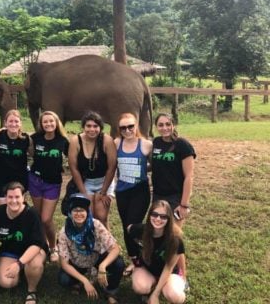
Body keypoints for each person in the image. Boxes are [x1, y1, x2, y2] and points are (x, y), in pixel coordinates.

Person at [152, 112, 196, 281]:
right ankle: (162, 270)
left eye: (168, 124)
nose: (164, 128)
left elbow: (189, 177)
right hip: (157, 196)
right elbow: (156, 165)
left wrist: (184, 204)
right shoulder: (156, 143)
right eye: (161, 125)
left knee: (174, 237)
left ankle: (182, 276)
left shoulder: (183, 145)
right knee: (160, 234)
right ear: (156, 126)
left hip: (175, 197)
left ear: (173, 125)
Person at [58, 194, 124, 304]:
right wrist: (85, 281)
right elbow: (64, 264)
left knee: (119, 264)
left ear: (87, 212)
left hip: (96, 259)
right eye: (75, 210)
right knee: (63, 279)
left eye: (82, 210)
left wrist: (103, 266)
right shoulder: (64, 232)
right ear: (70, 212)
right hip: (77, 263)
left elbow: (115, 248)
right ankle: (81, 281)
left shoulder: (96, 224)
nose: (79, 214)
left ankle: (111, 291)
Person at [0, 182, 47, 304]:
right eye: (10, 197)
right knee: (6, 283)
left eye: (17, 197)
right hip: (10, 251)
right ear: (5, 197)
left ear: (24, 197)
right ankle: (23, 273)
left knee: (35, 264)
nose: (14, 201)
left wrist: (19, 264)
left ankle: (31, 290)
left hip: (32, 251)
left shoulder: (32, 214)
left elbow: (37, 244)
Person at [114, 112, 152, 276]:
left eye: (130, 126)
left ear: (136, 126)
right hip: (122, 191)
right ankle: (135, 261)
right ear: (119, 129)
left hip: (140, 191)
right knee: (125, 228)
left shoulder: (146, 144)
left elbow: (155, 164)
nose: (127, 130)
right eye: (123, 127)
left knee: (132, 227)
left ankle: (151, 248)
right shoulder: (116, 143)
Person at [128, 200, 187, 304]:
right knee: (140, 287)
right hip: (147, 269)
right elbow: (128, 229)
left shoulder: (175, 240)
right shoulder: (140, 230)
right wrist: (135, 261)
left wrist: (156, 294)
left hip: (169, 273)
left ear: (169, 219)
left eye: (163, 216)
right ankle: (152, 284)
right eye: (154, 214)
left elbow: (168, 268)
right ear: (149, 215)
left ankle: (164, 287)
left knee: (175, 296)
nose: (158, 219)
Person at [29, 110, 69, 263]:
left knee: (46, 219)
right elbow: (22, 142)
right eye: (45, 122)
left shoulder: (63, 141)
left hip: (52, 183)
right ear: (41, 124)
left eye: (51, 121)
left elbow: (74, 156)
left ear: (56, 122)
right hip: (35, 180)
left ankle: (53, 247)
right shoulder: (35, 138)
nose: (48, 124)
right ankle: (43, 244)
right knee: (39, 218)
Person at [68, 111, 117, 228]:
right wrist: (83, 192)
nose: (92, 129)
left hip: (104, 180)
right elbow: (73, 168)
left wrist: (104, 191)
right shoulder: (76, 140)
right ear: (83, 127)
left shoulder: (107, 140)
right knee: (88, 215)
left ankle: (107, 244)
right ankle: (89, 243)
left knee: (101, 216)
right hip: (85, 181)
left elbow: (112, 167)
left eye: (95, 126)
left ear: (100, 127)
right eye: (88, 126)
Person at [0, 109, 31, 205]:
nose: (13, 124)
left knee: (18, 208)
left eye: (16, 121)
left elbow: (34, 154)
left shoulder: (26, 138)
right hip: (1, 178)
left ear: (20, 123)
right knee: (3, 209)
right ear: (5, 123)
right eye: (10, 121)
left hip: (20, 179)